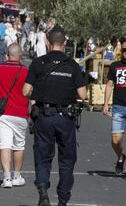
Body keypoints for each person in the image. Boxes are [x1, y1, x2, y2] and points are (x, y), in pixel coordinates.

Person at [22, 26, 87, 206]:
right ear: (65, 43)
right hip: (65, 117)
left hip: (44, 115)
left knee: (42, 156)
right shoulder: (72, 65)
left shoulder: (38, 63)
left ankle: (43, 190)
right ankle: (63, 198)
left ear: (47, 42)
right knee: (67, 159)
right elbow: (83, 95)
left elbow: (25, 91)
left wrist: (39, 93)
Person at [0, 43, 29, 188]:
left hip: (3, 113)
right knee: (19, 145)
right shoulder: (26, 71)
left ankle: (7, 178)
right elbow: (31, 92)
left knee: (5, 145)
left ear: (7, 55)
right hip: (21, 113)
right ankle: (17, 176)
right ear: (20, 55)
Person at [103, 39, 126, 175]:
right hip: (118, 106)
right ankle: (121, 156)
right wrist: (106, 103)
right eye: (123, 50)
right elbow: (109, 85)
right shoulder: (115, 66)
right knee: (115, 141)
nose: (125, 53)